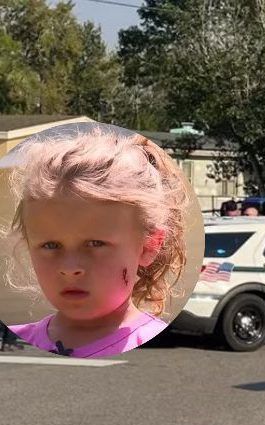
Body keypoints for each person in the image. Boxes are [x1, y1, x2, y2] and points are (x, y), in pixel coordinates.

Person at [1, 127, 189, 358]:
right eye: (50, 245)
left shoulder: (159, 347)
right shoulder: (20, 340)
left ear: (149, 245)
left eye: (95, 243)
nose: (70, 269)